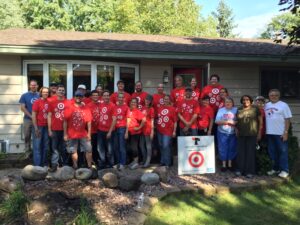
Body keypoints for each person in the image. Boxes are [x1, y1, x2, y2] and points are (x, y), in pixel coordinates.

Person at [265, 89, 292, 178]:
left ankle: (285, 170)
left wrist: (286, 132)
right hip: (269, 132)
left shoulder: (284, 105)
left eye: (276, 95)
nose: (273, 96)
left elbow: (287, 119)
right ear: (269, 96)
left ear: (279, 96)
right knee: (272, 152)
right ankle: (275, 168)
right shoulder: (266, 105)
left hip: (280, 133)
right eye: (271, 95)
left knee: (282, 152)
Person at [63, 90, 93, 169]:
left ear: (83, 97)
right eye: (77, 96)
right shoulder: (69, 107)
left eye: (80, 96)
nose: (78, 98)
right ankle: (75, 166)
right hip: (72, 133)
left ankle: (89, 166)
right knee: (73, 151)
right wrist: (65, 134)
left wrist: (89, 133)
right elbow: (65, 121)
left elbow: (89, 122)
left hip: (83, 133)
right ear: (74, 97)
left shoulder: (86, 108)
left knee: (88, 149)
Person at [235, 95, 262, 178]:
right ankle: (240, 170)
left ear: (250, 100)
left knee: (250, 153)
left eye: (247, 99)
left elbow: (261, 122)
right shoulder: (239, 109)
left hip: (252, 133)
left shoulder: (255, 109)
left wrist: (259, 132)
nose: (245, 101)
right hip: (241, 134)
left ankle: (249, 171)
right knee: (241, 153)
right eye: (243, 100)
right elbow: (236, 120)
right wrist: (236, 129)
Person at [48, 84, 69, 172]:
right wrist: (49, 129)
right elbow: (49, 116)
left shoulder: (68, 102)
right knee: (54, 148)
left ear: (64, 92)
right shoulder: (52, 102)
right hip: (54, 129)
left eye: (62, 90)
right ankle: (54, 165)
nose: (61, 92)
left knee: (64, 148)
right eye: (59, 90)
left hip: (65, 129)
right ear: (56, 91)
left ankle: (64, 165)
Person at [215, 97, 237, 172]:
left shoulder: (235, 110)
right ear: (224, 103)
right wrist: (228, 122)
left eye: (230, 102)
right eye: (226, 102)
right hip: (222, 132)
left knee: (232, 148)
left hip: (232, 133)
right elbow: (217, 121)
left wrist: (234, 122)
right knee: (222, 148)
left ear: (232, 103)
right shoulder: (221, 110)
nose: (228, 103)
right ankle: (224, 165)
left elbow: (238, 120)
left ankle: (230, 164)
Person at [19, 80, 40, 157]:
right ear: (29, 86)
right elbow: (22, 108)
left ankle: (36, 152)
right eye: (32, 85)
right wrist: (31, 116)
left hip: (38, 120)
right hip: (27, 119)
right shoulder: (24, 95)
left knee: (37, 136)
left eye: (35, 85)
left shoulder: (39, 95)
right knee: (27, 135)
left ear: (37, 86)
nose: (33, 86)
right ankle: (27, 152)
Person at [97, 90, 117, 169]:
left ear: (109, 97)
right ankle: (102, 163)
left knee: (110, 149)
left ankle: (111, 164)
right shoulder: (101, 104)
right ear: (102, 97)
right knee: (100, 148)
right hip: (100, 130)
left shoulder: (112, 105)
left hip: (109, 131)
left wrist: (109, 132)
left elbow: (114, 119)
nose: (106, 97)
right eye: (104, 95)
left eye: (107, 95)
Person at [156, 95, 177, 166]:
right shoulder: (160, 108)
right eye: (164, 99)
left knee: (166, 146)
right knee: (161, 146)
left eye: (167, 99)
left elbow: (175, 121)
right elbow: (158, 118)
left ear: (169, 100)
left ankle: (167, 163)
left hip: (168, 131)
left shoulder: (172, 109)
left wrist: (174, 131)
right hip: (159, 130)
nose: (166, 100)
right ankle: (163, 161)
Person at [125, 98, 146, 170]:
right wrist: (126, 131)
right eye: (132, 102)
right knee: (129, 147)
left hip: (135, 133)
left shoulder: (137, 111)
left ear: (137, 104)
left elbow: (144, 120)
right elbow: (128, 120)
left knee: (134, 147)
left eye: (134, 102)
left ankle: (136, 162)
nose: (133, 103)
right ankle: (133, 161)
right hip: (129, 132)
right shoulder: (129, 110)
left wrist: (139, 127)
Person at [32, 87, 50, 167]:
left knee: (45, 147)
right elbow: (33, 115)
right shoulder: (37, 102)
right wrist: (35, 128)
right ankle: (37, 166)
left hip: (47, 127)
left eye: (47, 92)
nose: (45, 93)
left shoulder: (50, 102)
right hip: (38, 126)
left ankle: (44, 164)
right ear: (41, 93)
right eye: (44, 92)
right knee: (37, 146)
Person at [114, 93, 129, 170]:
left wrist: (126, 131)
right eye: (119, 97)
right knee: (116, 147)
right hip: (115, 128)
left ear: (124, 99)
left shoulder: (126, 107)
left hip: (122, 128)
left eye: (122, 97)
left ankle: (123, 163)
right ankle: (118, 163)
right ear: (117, 98)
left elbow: (128, 119)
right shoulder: (115, 107)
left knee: (122, 147)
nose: (120, 99)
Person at [140, 95, 155, 167]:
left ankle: (148, 162)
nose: (147, 101)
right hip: (141, 129)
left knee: (148, 146)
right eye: (146, 100)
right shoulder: (142, 108)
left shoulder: (151, 109)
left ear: (150, 102)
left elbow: (152, 120)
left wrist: (152, 131)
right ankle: (144, 159)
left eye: (148, 100)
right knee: (141, 145)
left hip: (148, 129)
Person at [87, 90, 101, 165]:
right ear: (91, 97)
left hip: (100, 130)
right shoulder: (88, 105)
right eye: (94, 95)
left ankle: (97, 161)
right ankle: (91, 162)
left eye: (97, 95)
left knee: (99, 148)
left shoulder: (101, 105)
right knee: (92, 147)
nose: (95, 96)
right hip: (92, 131)